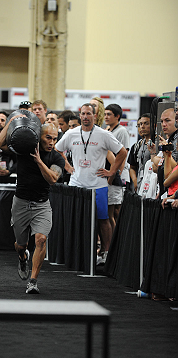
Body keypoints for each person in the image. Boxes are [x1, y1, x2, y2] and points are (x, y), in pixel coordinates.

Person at [0, 120, 65, 294]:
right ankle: (22, 257)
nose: (51, 142)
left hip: (42, 204)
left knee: (41, 239)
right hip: (21, 202)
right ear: (38, 137)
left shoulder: (56, 157)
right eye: (48, 138)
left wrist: (39, 162)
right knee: (21, 244)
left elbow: (53, 179)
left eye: (55, 139)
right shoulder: (24, 148)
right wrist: (11, 120)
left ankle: (33, 281)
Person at [55, 103, 127, 265]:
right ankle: (75, 251)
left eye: (89, 114)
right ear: (79, 116)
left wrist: (112, 171)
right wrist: (66, 166)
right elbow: (57, 150)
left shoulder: (103, 134)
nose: (86, 117)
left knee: (103, 219)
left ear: (95, 116)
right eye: (83, 114)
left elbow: (122, 152)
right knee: (75, 219)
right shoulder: (71, 134)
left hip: (98, 185)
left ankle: (106, 252)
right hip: (76, 185)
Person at [104, 104, 130, 233]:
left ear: (117, 116)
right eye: (105, 114)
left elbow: (123, 154)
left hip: (116, 175)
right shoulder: (108, 130)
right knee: (110, 211)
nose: (106, 117)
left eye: (109, 114)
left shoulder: (121, 131)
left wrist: (116, 174)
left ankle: (117, 241)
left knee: (115, 211)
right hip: (109, 174)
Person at [149, 108, 178, 197]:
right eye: (161, 121)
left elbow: (173, 168)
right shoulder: (170, 139)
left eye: (167, 120)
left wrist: (166, 155)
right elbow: (155, 167)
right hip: (167, 193)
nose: (164, 124)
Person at [128, 114, 152, 192]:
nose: (142, 127)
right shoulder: (136, 146)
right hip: (140, 184)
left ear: (154, 125)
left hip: (153, 184)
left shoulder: (158, 143)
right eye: (140, 124)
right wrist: (135, 181)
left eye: (146, 123)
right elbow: (132, 167)